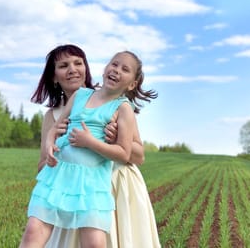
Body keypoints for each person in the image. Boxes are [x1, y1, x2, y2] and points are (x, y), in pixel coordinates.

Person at [20, 50, 158, 248]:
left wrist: (100, 141)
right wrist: (51, 141)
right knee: (35, 230)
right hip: (63, 178)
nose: (72, 70)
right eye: (63, 66)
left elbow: (131, 153)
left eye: (78, 63)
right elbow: (46, 150)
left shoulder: (120, 107)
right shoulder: (77, 99)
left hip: (100, 182)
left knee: (96, 241)